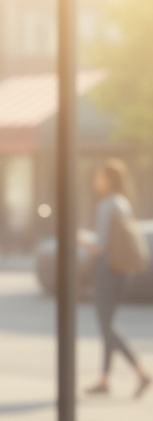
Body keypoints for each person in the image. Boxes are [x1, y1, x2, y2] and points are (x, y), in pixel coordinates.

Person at [82, 159, 151, 398]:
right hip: (122, 272)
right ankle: (104, 379)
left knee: (107, 326)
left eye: (99, 176)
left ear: (109, 179)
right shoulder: (123, 203)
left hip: (107, 270)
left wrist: (81, 241)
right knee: (107, 325)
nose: (95, 180)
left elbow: (100, 245)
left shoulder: (107, 205)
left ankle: (141, 372)